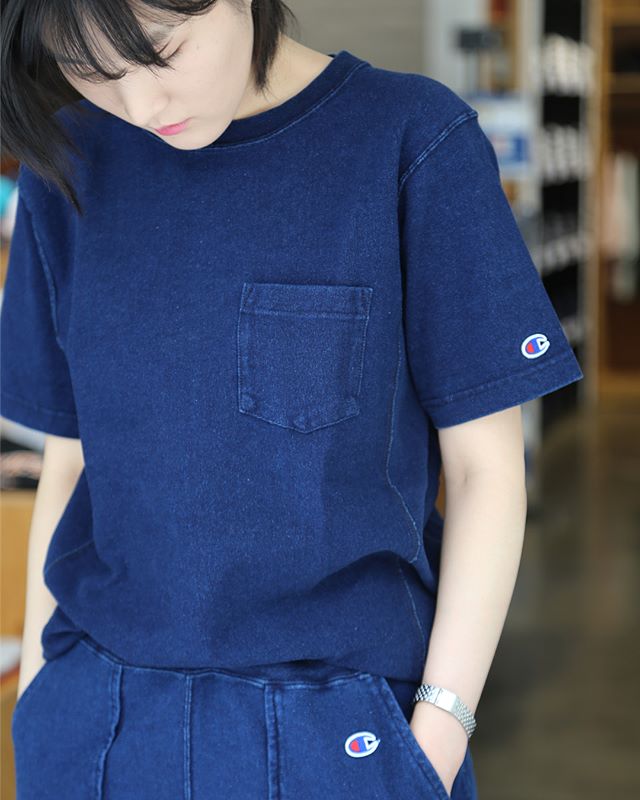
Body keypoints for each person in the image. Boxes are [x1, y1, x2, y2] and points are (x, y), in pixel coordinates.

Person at [0, 1, 584, 798]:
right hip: (100, 719)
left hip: (335, 730)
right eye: (89, 70)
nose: (139, 103)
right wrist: (40, 692)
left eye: (161, 51)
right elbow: (71, 458)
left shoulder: (411, 141)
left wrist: (439, 732)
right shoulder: (67, 164)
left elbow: (486, 469)